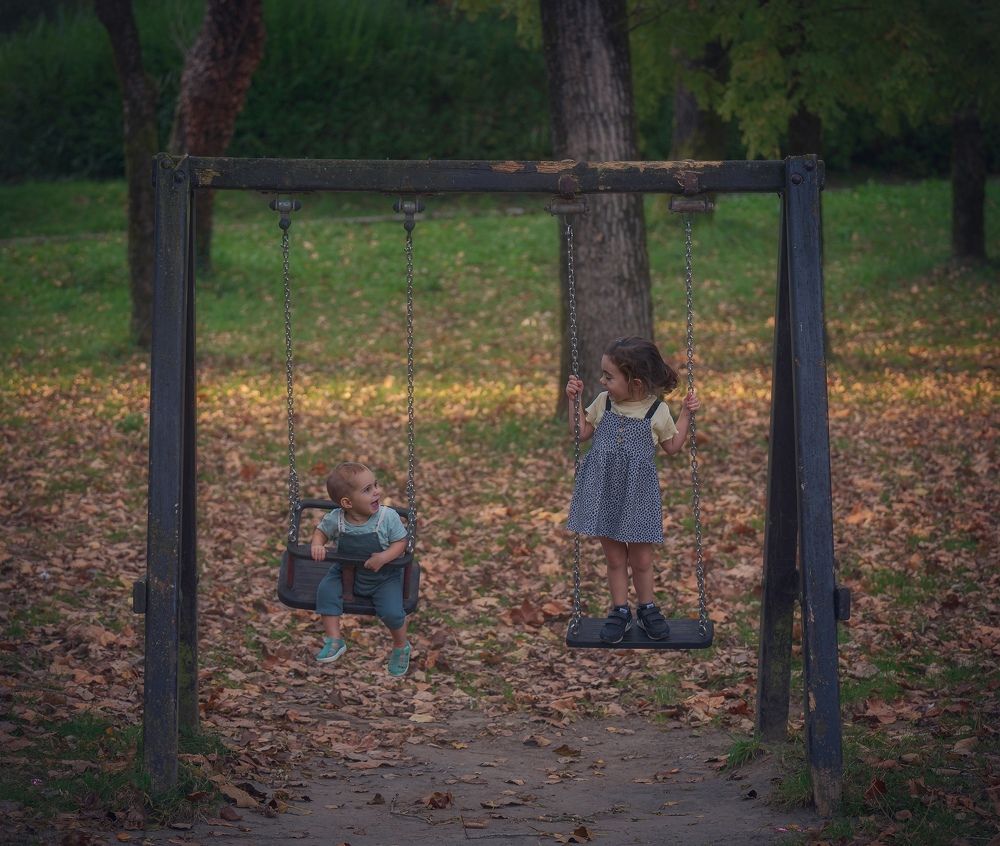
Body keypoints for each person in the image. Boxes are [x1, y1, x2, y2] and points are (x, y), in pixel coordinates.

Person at [565, 336, 701, 644]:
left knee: (640, 561)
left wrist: (685, 414)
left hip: (639, 496)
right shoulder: (604, 402)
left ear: (636, 382)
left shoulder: (657, 412)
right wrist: (573, 400)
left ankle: (648, 609)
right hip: (603, 491)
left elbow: (673, 447)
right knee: (615, 560)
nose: (602, 380)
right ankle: (620, 611)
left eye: (609, 376)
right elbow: (580, 433)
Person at [309, 461, 412, 676]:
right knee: (325, 591)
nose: (377, 492)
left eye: (375, 485)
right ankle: (334, 639)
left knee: (393, 612)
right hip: (345, 571)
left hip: (383, 576)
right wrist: (317, 544)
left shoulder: (387, 518)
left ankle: (401, 646)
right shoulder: (336, 519)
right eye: (368, 490)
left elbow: (401, 543)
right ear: (347, 502)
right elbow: (321, 531)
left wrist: (384, 557)